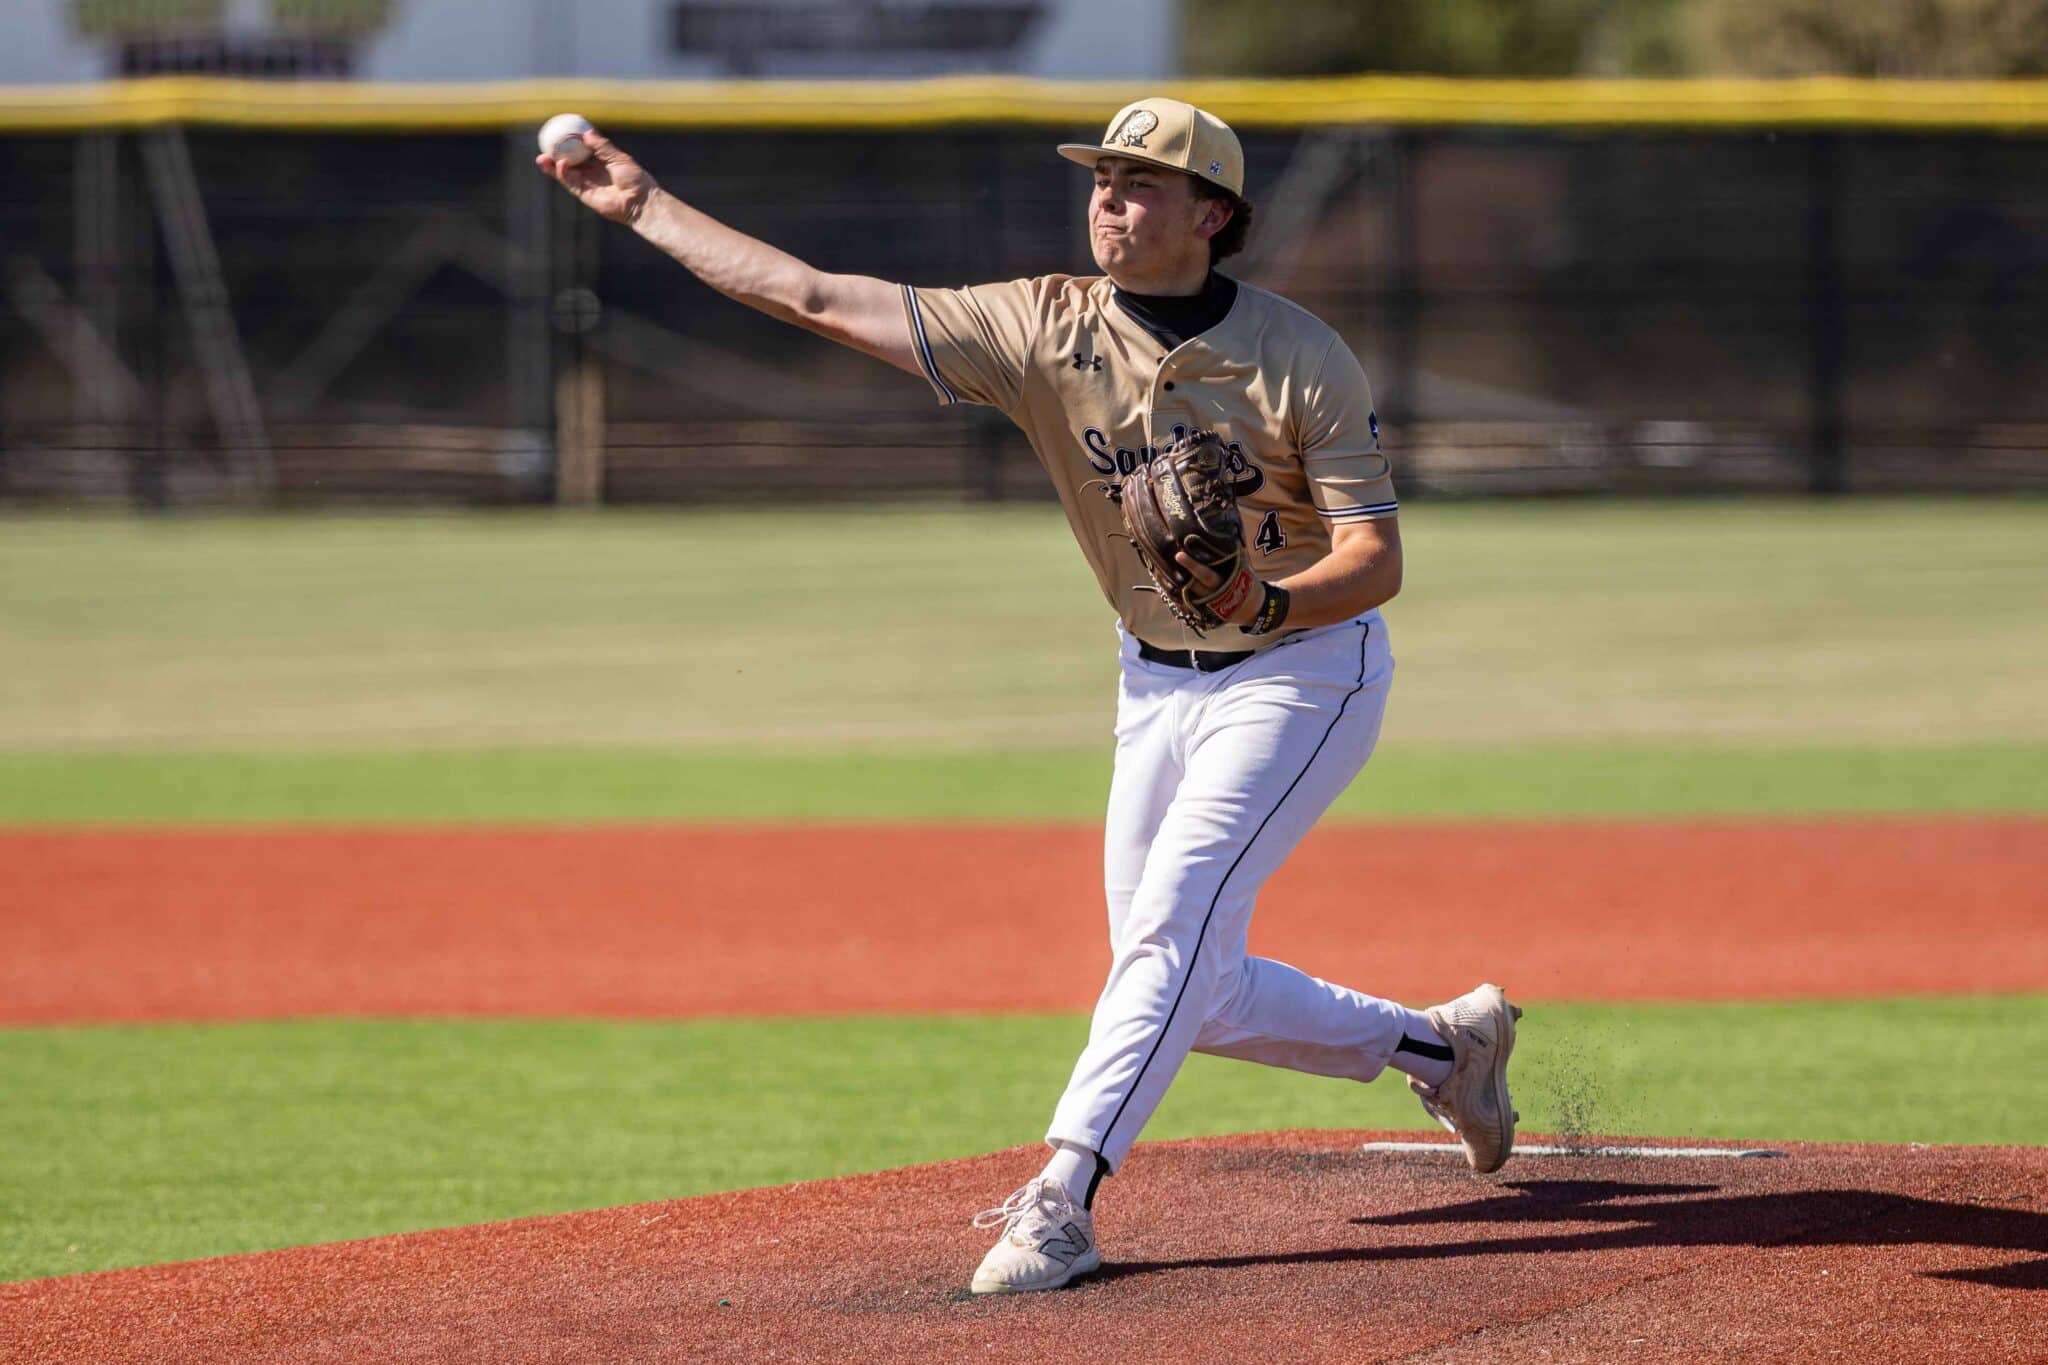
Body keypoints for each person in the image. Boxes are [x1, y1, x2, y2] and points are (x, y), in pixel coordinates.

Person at [539, 97, 1519, 1296]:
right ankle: (1442, 1045)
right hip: (1151, 681)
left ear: (1211, 215)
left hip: (1301, 670)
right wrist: (642, 207)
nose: (1109, 197)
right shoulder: (1039, 325)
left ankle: (1061, 1197)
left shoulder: (1297, 353)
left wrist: (1267, 607)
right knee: (1182, 986)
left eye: (1141, 182)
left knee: (1167, 933)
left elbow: (1377, 558)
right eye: (1101, 177)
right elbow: (810, 295)